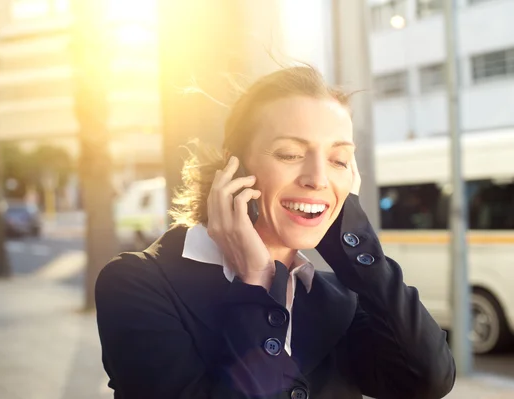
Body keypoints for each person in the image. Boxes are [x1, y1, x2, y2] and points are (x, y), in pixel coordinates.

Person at [95, 66, 456, 399]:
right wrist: (257, 285)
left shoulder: (337, 298)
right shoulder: (138, 283)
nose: (317, 178)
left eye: (339, 160)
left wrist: (354, 240)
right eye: (289, 154)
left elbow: (426, 378)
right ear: (233, 166)